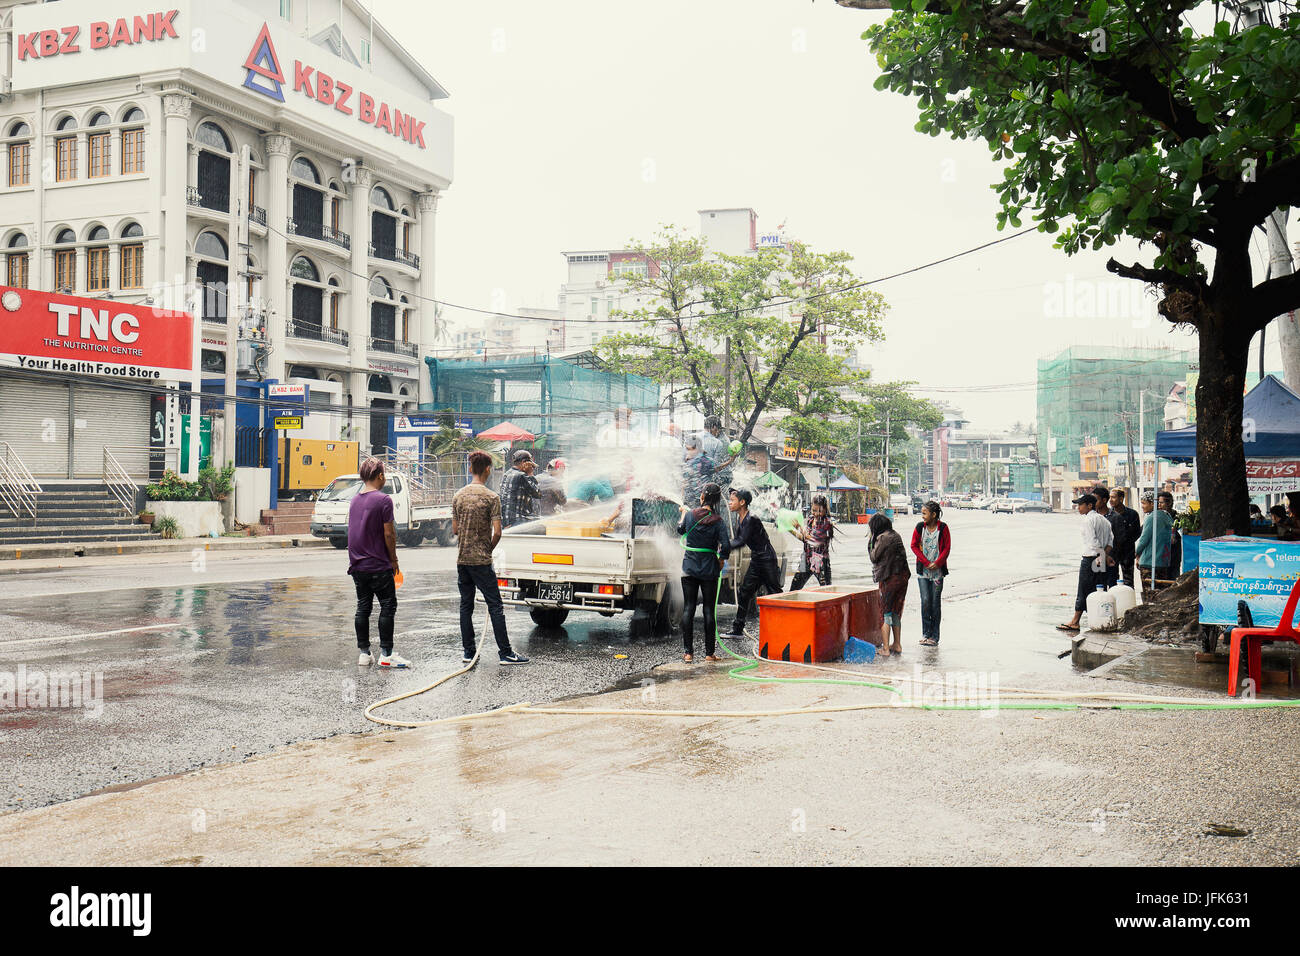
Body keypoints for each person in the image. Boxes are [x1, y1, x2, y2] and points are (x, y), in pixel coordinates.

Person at [451, 451, 529, 665]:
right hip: (482, 562)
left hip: (462, 561)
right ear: (487, 469)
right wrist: (487, 548)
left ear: (470, 469)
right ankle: (505, 653)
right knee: (495, 605)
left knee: (465, 606)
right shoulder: (491, 497)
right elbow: (498, 532)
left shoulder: (458, 496)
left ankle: (469, 653)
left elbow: (455, 529)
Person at [348, 457, 408, 668]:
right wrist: (394, 560)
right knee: (387, 606)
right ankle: (386, 655)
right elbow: (389, 534)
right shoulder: (384, 500)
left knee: (363, 607)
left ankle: (364, 654)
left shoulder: (354, 500)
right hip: (379, 565)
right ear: (380, 476)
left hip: (357, 565)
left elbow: (353, 532)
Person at [677, 483, 731, 662]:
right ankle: (709, 654)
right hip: (709, 569)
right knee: (709, 610)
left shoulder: (690, 515)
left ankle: (688, 653)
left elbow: (680, 530)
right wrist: (721, 559)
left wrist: (683, 514)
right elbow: (726, 545)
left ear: (702, 497)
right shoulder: (719, 521)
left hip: (689, 568)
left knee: (688, 608)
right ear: (716, 501)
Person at [726, 487, 783, 636]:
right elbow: (736, 540)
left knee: (775, 593)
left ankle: (784, 626)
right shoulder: (739, 518)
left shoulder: (752, 519)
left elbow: (740, 541)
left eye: (732, 500)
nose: (729, 503)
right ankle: (737, 629)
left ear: (742, 502)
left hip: (767, 560)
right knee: (745, 592)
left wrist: (723, 547)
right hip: (757, 560)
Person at [1058, 493, 1115, 632]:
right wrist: (1105, 555)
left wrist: (1101, 555)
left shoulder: (1088, 521)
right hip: (1100, 558)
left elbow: (1093, 542)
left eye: (1080, 504)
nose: (1078, 507)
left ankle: (1075, 621)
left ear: (1089, 505)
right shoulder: (1104, 520)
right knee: (1098, 588)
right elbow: (1110, 541)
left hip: (1091, 558)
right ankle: (1098, 619)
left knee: (1084, 588)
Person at [909, 500, 951, 646]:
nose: (922, 516)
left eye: (925, 513)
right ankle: (926, 633)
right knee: (925, 601)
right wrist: (926, 563)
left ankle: (935, 636)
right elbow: (913, 546)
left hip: (938, 574)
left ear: (933, 515)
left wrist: (937, 563)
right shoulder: (920, 527)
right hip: (923, 573)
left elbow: (946, 549)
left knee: (935, 603)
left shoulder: (944, 528)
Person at [868, 512, 910, 656]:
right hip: (903, 577)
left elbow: (874, 557)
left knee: (885, 612)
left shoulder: (882, 538)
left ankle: (885, 649)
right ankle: (897, 644)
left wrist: (871, 541)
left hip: (889, 578)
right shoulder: (895, 535)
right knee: (896, 611)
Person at [790, 494, 834, 589]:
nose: (816, 513)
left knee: (827, 592)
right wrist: (790, 529)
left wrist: (799, 527)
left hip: (821, 561)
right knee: (794, 589)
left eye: (819, 511)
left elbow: (813, 539)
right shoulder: (810, 520)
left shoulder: (827, 523)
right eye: (814, 510)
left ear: (825, 510)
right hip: (806, 559)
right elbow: (804, 539)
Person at [1135, 491, 1173, 589]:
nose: (1142, 506)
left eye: (1144, 503)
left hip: (1149, 562)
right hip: (1163, 561)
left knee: (1150, 594)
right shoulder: (1167, 516)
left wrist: (1136, 553)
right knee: (1161, 593)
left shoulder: (1151, 517)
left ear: (1152, 503)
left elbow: (1144, 539)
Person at [498, 449, 540, 528]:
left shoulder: (506, 474)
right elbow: (538, 494)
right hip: (517, 521)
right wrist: (530, 474)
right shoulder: (522, 476)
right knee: (542, 528)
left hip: (506, 521)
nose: (532, 468)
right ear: (525, 462)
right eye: (531, 465)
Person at [1108, 488, 1141, 588]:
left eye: (1113, 497)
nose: (1110, 500)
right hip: (1112, 553)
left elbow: (1137, 533)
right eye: (1109, 497)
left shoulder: (1133, 514)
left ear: (1121, 499)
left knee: (1128, 581)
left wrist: (1126, 542)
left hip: (1127, 552)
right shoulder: (1108, 515)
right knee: (1112, 580)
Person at [1093, 486, 1123, 588]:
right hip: (1096, 559)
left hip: (1111, 559)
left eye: (1096, 500)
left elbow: (1119, 540)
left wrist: (1108, 555)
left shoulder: (1115, 517)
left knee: (1112, 587)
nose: (1093, 503)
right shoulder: (1093, 517)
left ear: (1104, 500)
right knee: (1098, 588)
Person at [1158, 491, 1182, 574]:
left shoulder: (1177, 518)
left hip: (1173, 555)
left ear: (1169, 503)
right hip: (1160, 556)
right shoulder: (1155, 517)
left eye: (1161, 503)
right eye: (1158, 503)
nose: (1159, 505)